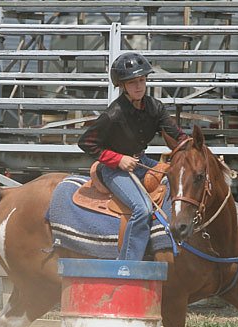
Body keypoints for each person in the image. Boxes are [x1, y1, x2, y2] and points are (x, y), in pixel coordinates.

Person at [78, 52, 187, 261]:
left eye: (142, 80)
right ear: (122, 86)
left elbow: (177, 135)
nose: (139, 86)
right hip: (112, 169)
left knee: (177, 181)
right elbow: (86, 142)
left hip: (140, 161)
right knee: (142, 209)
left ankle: (165, 239)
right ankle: (127, 264)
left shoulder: (155, 107)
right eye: (132, 82)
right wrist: (118, 159)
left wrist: (197, 149)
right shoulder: (114, 114)